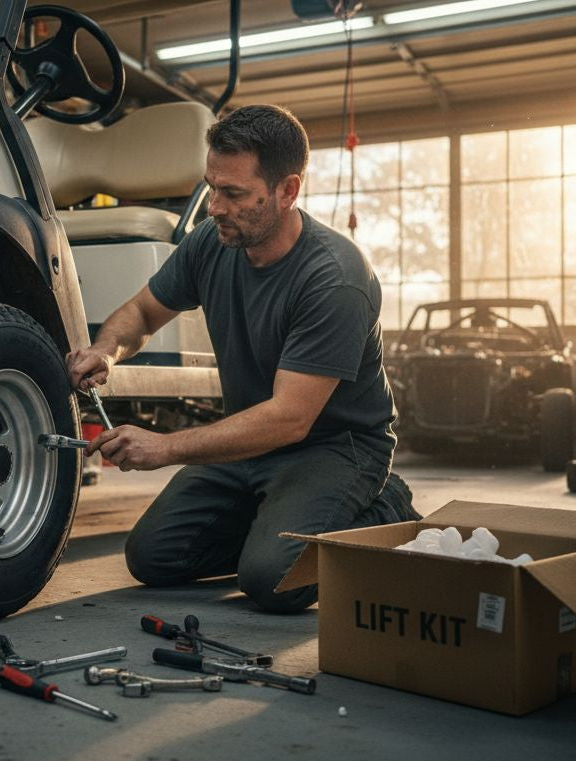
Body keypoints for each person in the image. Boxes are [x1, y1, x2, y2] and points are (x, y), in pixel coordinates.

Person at [66, 104, 418, 613]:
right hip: (251, 441)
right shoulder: (212, 242)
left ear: (287, 191)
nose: (214, 206)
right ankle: (279, 526)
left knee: (275, 580)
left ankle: (386, 504)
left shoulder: (335, 278)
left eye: (233, 193)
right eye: (212, 187)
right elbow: (143, 311)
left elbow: (290, 418)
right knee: (154, 558)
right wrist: (106, 350)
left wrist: (166, 448)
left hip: (334, 447)